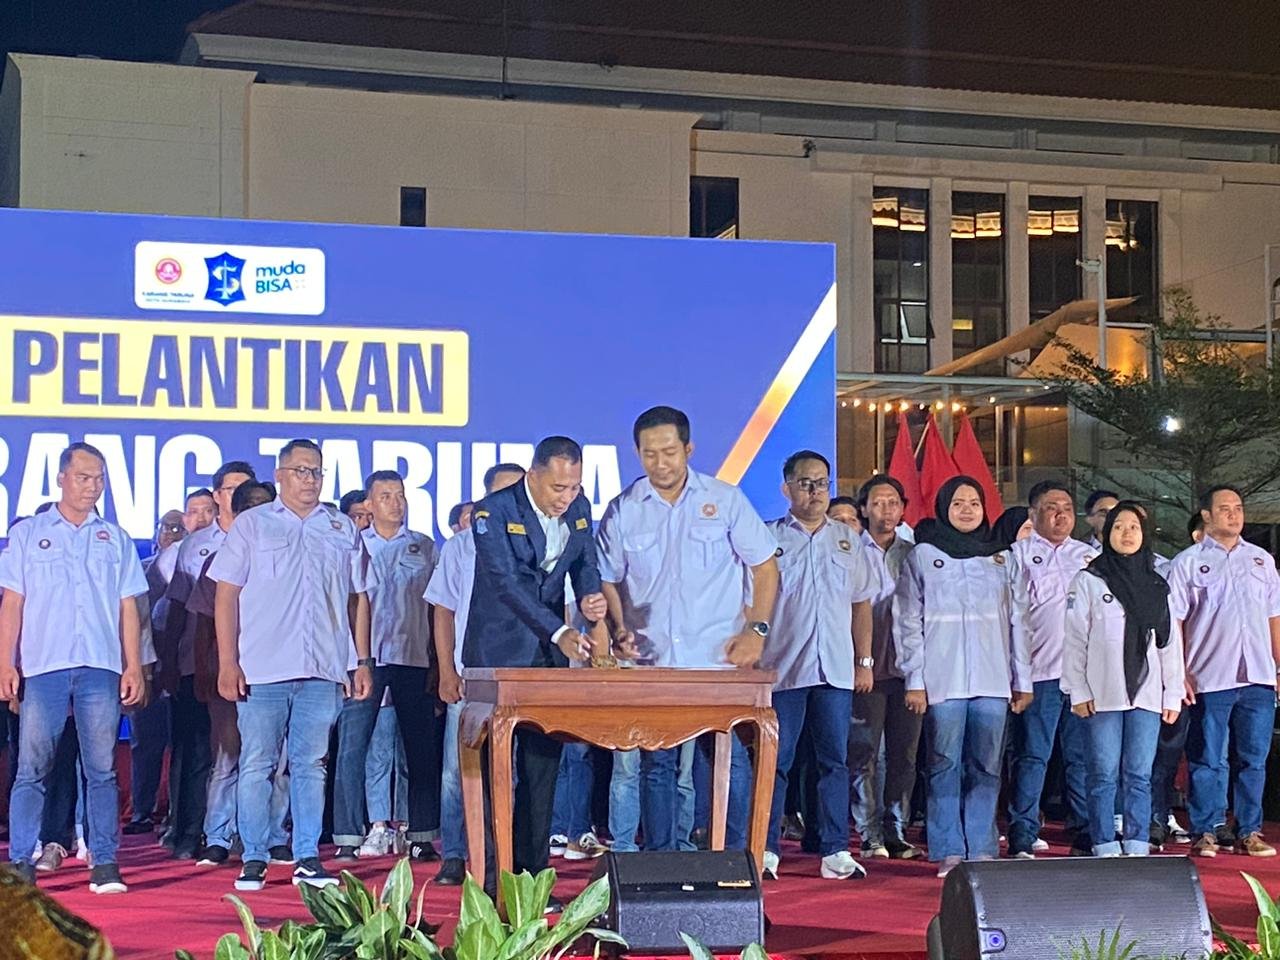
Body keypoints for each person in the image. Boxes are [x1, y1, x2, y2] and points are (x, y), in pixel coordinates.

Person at [597, 406, 778, 855]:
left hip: (717, 658)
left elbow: (764, 566)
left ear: (688, 449)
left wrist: (756, 630)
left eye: (669, 452)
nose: (660, 463)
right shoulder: (624, 509)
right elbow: (607, 578)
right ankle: (661, 862)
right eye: (649, 454)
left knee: (728, 761)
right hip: (652, 661)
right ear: (637, 454)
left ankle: (736, 862)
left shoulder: (725, 500)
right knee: (656, 765)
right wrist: (618, 627)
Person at [211, 439, 374, 890]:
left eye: (316, 471)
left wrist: (361, 660)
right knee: (257, 763)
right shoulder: (252, 524)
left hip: (324, 666)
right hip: (262, 667)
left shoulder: (341, 527)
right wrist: (227, 661)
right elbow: (226, 594)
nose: (310, 479)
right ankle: (254, 855)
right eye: (301, 471)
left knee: (311, 765)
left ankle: (306, 855)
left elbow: (358, 597)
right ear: (279, 476)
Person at [0, 442, 147, 893]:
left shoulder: (115, 538)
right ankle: (21, 859)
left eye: (99, 479)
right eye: (84, 477)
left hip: (100, 664)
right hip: (43, 665)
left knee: (101, 769)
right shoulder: (29, 534)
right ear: (62, 478)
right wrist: (6, 662)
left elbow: (128, 607)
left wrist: (134, 665)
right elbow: (12, 603)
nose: (92, 486)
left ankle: (104, 860)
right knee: (32, 767)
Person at [464, 438, 606, 898]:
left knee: (542, 772)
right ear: (533, 475)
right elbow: (505, 584)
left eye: (574, 487)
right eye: (558, 488)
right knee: (494, 775)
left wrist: (590, 596)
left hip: (547, 660)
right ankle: (492, 882)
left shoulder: (579, 507)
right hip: (498, 656)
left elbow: (583, 561)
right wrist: (559, 630)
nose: (566, 497)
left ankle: (532, 882)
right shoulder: (492, 511)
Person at [894, 476, 1032, 878]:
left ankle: (982, 847)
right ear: (944, 508)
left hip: (993, 678)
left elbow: (1019, 622)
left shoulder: (1003, 558)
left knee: (987, 765)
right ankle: (949, 849)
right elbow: (908, 620)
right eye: (958, 503)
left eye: (974, 502)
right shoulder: (924, 555)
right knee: (943, 763)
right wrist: (914, 679)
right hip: (943, 678)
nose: (967, 510)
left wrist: (1022, 679)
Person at [763, 451, 875, 880]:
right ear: (786, 488)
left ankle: (835, 850)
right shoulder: (768, 538)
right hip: (783, 668)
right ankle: (765, 848)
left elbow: (861, 604)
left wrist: (864, 661)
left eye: (822, 483)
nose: (815, 491)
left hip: (835, 669)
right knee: (777, 761)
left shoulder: (847, 540)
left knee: (834, 761)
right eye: (806, 483)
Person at [331, 470, 441, 863]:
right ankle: (348, 835)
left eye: (400, 495)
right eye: (386, 496)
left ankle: (421, 834)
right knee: (353, 747)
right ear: (369, 503)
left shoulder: (424, 547)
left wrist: (438, 661)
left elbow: (438, 607)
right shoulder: (354, 545)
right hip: (366, 660)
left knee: (420, 750)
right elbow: (345, 603)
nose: (396, 503)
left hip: (413, 656)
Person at [1062, 502, 1184, 857]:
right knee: (1102, 774)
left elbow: (1169, 644)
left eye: (1134, 527)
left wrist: (1172, 694)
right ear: (1106, 533)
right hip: (1101, 693)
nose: (1127, 533)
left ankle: (1137, 843)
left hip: (1146, 694)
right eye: (1118, 527)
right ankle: (1103, 843)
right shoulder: (1089, 580)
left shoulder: (1157, 586)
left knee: (1139, 774)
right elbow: (1074, 640)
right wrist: (1077, 690)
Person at [425, 465, 526, 885]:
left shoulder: (539, 546)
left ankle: (505, 856)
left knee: (511, 773)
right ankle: (454, 853)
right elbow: (443, 610)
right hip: (469, 675)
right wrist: (447, 670)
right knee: (457, 771)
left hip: (520, 679)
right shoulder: (461, 546)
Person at [1168, 484, 1280, 858]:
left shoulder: (1261, 560)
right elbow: (1175, 622)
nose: (1234, 514)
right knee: (1208, 758)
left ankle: (1249, 830)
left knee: (1253, 759)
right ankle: (1206, 829)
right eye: (1225, 508)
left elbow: (1274, 617)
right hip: (1209, 676)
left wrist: (1278, 667)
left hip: (1258, 676)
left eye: (1238, 508)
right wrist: (1179, 671)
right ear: (1206, 515)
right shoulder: (1187, 562)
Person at [188, 480, 292, 868]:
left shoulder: (291, 552)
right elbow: (204, 623)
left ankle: (273, 836)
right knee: (229, 754)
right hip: (232, 667)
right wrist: (207, 667)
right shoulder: (220, 559)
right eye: (256, 507)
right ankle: (218, 836)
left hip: (276, 667)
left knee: (277, 760)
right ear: (241, 511)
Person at [157, 461, 257, 860]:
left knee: (255, 754)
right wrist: (169, 662)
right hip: (200, 662)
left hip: (258, 662)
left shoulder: (268, 538)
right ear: (217, 495)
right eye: (231, 489)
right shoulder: (195, 546)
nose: (239, 496)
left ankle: (247, 834)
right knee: (199, 753)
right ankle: (189, 831)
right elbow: (179, 610)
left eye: (246, 488)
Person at [1005, 481, 1095, 859]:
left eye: (1067, 508)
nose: (1061, 515)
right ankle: (1022, 833)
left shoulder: (1090, 557)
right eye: (1051, 508)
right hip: (1038, 674)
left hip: (1082, 678)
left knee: (1082, 758)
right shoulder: (1016, 555)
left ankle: (1086, 833)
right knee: (1032, 757)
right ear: (1033, 514)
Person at [848, 474, 922, 861]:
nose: (886, 510)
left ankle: (896, 829)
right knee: (866, 754)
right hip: (868, 668)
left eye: (893, 503)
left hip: (908, 670)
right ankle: (869, 831)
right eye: (878, 503)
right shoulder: (851, 551)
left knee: (904, 755)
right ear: (864, 508)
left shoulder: (915, 554)